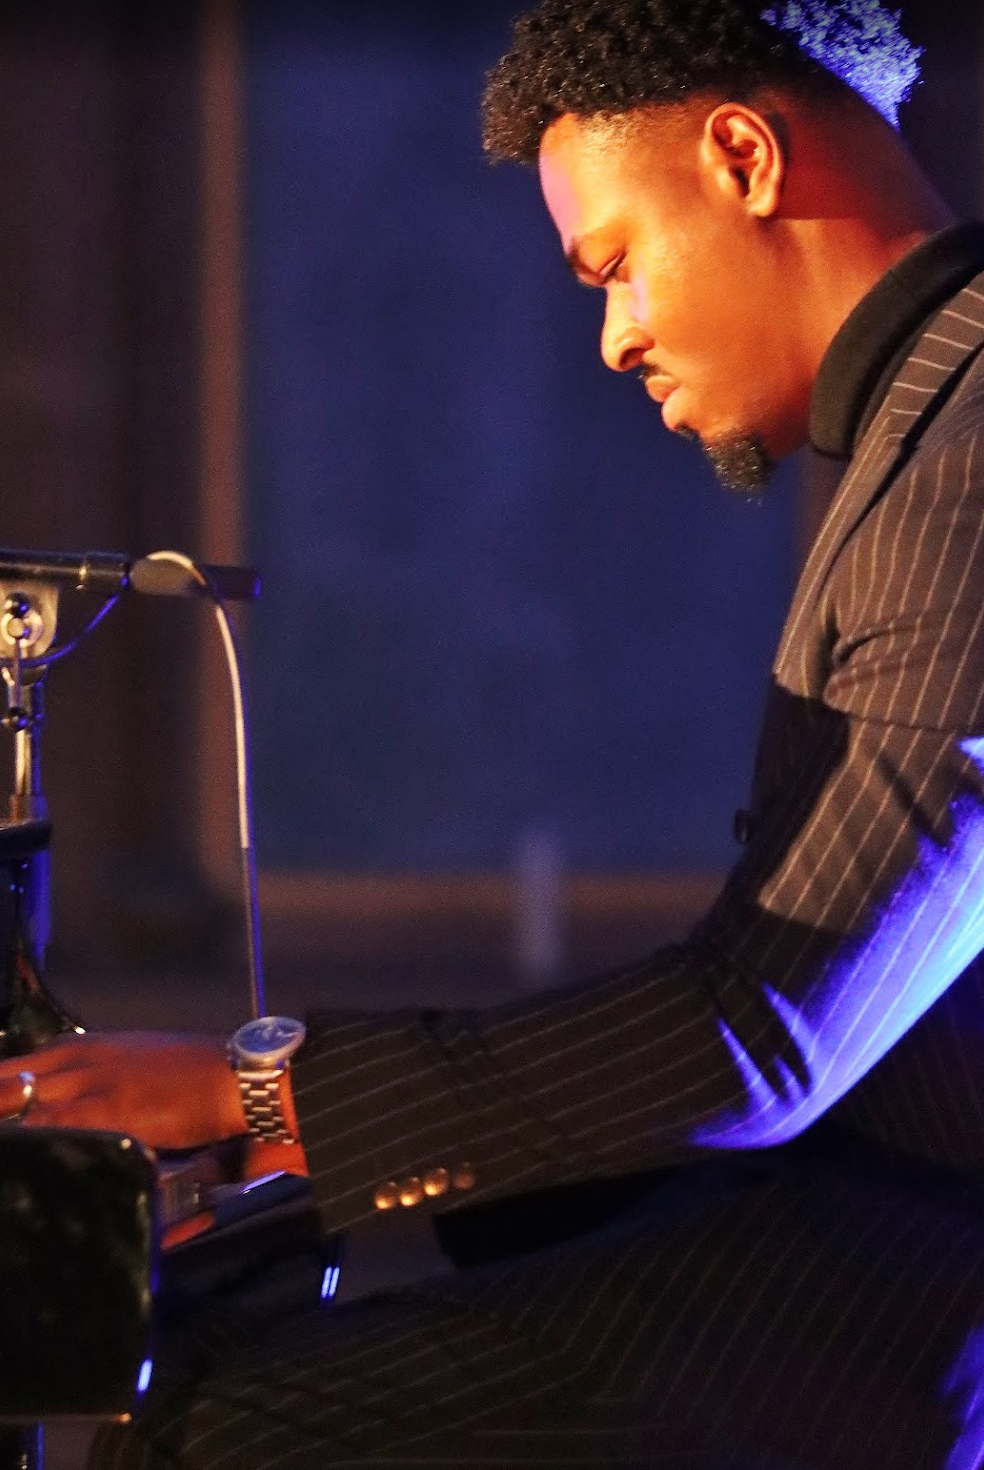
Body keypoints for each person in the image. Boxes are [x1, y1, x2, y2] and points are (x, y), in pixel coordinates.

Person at [14, 1, 984, 1465]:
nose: (614, 339)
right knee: (228, 1331)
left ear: (741, 158)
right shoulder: (929, 415)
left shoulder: (966, 459)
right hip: (842, 1216)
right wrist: (304, 1139)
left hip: (897, 1288)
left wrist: (256, 1091)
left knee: (212, 1424)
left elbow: (769, 1034)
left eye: (615, 267)